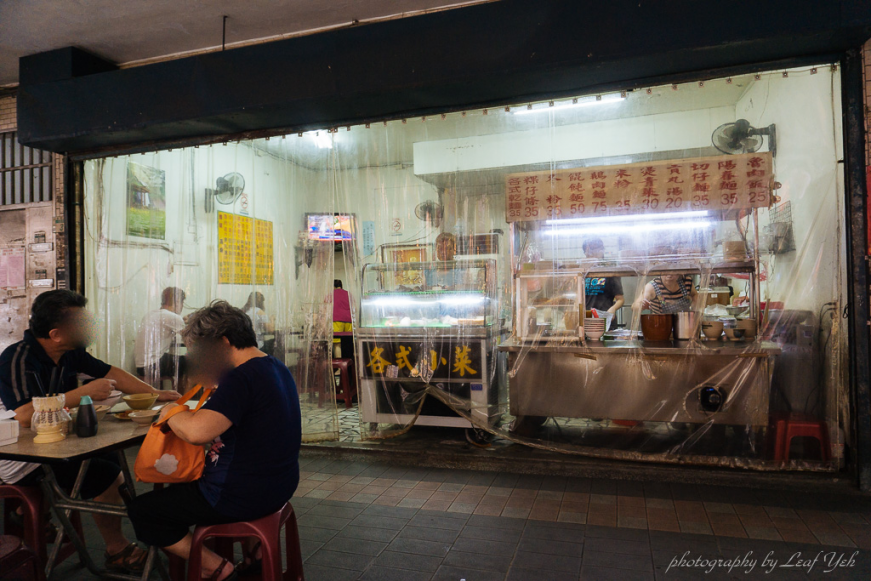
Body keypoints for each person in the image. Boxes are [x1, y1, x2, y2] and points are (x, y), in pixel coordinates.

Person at [0, 290, 180, 573]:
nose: (90, 325)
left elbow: (113, 374)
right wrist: (80, 393)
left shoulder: (71, 353)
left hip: (52, 443)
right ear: (57, 334)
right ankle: (116, 549)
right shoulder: (17, 358)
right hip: (17, 455)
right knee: (107, 474)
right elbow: (24, 415)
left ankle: (31, 513)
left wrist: (156, 393)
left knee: (108, 460)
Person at [127, 301, 301, 581]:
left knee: (144, 511)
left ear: (224, 341)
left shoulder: (241, 377)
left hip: (240, 494)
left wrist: (171, 411)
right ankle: (256, 553)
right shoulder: (274, 366)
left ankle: (216, 567)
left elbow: (197, 433)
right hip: (279, 485)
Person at [134, 287, 187, 386]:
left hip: (141, 366)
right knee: (189, 363)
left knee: (177, 360)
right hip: (152, 365)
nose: (182, 306)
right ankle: (181, 397)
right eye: (182, 303)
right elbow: (190, 339)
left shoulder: (150, 314)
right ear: (177, 301)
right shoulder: (174, 318)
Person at [582, 238, 624, 329]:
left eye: (595, 249)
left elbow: (620, 299)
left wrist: (612, 309)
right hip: (588, 321)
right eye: (588, 251)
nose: (591, 253)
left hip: (606, 321)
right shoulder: (583, 272)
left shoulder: (609, 270)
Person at [634, 273, 699, 313]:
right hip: (661, 327)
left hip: (684, 327)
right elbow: (634, 306)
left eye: (673, 271)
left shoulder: (686, 282)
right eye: (665, 271)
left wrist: (694, 310)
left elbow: (695, 295)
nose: (669, 275)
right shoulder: (652, 286)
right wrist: (641, 305)